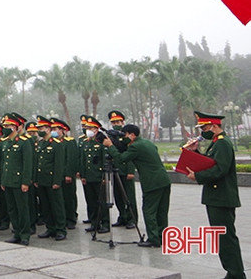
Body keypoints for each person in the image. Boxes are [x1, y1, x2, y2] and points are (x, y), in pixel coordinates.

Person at [184, 111, 246, 279]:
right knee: (222, 237)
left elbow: (220, 169)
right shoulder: (216, 143)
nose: (202, 132)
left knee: (226, 238)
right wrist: (195, 152)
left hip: (222, 198)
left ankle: (236, 274)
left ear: (213, 126)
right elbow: (209, 163)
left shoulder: (222, 143)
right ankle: (232, 272)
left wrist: (198, 176)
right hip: (216, 197)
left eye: (204, 128)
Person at [103, 123, 171, 248]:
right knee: (161, 211)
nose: (123, 138)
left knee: (149, 211)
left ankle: (153, 239)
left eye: (125, 135)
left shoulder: (135, 147)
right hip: (164, 180)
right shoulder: (146, 142)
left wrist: (111, 146)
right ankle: (162, 237)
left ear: (132, 135)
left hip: (152, 182)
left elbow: (121, 158)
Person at [0, 112, 34, 245]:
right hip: (8, 181)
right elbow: (4, 163)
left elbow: (27, 164)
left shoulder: (24, 142)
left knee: (22, 209)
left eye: (7, 126)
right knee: (12, 209)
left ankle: (25, 234)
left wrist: (25, 182)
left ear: (14, 127)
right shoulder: (5, 142)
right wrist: (3, 180)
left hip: (19, 182)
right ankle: (17, 232)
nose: (4, 128)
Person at [35, 116, 66, 241]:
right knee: (46, 206)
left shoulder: (56, 144)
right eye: (39, 129)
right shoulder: (41, 143)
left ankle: (60, 229)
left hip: (52, 180)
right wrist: (36, 179)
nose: (40, 131)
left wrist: (57, 181)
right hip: (42, 180)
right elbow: (38, 163)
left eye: (42, 128)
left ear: (48, 129)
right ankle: (50, 228)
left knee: (57, 206)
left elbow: (59, 165)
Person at [107, 110, 137, 229]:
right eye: (113, 122)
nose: (116, 124)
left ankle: (132, 219)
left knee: (129, 196)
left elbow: (131, 154)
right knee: (118, 196)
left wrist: (130, 171)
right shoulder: (110, 136)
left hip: (125, 170)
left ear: (122, 122)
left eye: (118, 122)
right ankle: (122, 216)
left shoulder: (127, 135)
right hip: (115, 170)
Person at [79, 116, 109, 234]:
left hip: (98, 176)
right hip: (88, 177)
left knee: (102, 201)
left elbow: (105, 160)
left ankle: (105, 223)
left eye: (91, 128)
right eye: (87, 128)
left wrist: (104, 176)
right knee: (91, 201)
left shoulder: (102, 142)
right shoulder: (86, 143)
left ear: (96, 129)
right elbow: (83, 161)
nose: (88, 130)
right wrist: (83, 176)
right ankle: (94, 223)